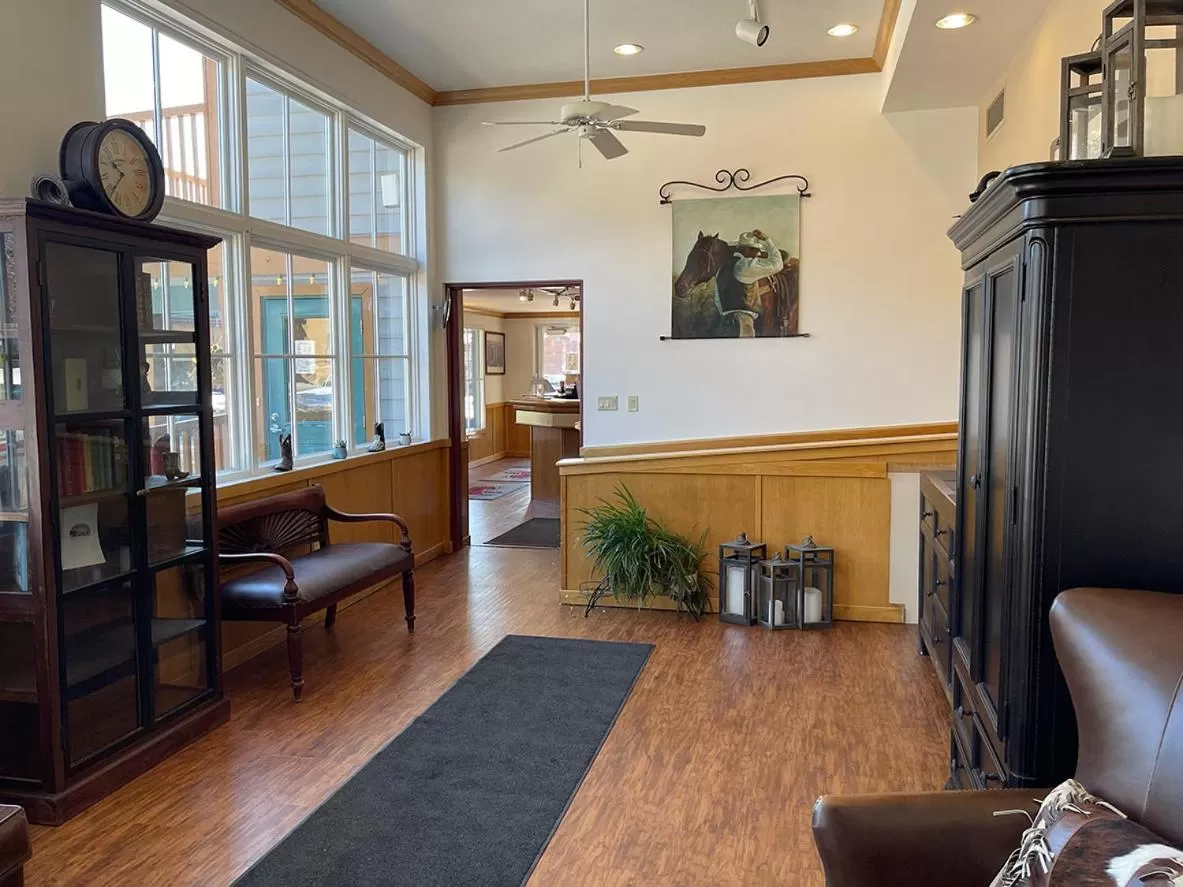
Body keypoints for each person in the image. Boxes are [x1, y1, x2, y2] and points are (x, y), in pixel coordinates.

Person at [714, 229, 786, 337]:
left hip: (724, 322)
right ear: (747, 249)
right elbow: (777, 264)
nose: (759, 254)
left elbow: (717, 300)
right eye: (756, 250)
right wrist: (767, 240)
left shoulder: (723, 269)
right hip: (743, 322)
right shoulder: (745, 266)